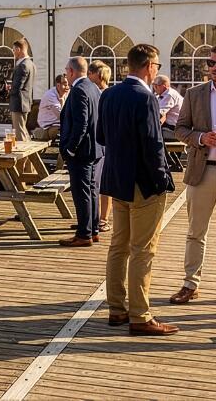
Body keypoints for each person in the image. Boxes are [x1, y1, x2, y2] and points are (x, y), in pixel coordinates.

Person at [97, 43, 177, 335]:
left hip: (116, 179)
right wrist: (162, 182)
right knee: (143, 249)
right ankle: (140, 315)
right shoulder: (146, 97)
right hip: (143, 183)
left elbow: (101, 136)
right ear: (148, 66)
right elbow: (153, 147)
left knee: (119, 245)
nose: (156, 71)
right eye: (156, 66)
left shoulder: (109, 94)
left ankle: (116, 309)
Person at [170, 44, 216, 305]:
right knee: (195, 232)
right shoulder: (194, 94)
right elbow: (180, 129)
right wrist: (201, 137)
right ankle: (190, 283)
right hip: (203, 172)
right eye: (211, 64)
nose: (213, 69)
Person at [58, 58, 101, 247]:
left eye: (67, 70)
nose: (66, 74)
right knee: (91, 189)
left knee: (81, 191)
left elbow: (81, 123)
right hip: (94, 147)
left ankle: (84, 234)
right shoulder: (92, 87)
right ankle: (93, 228)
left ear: (72, 71)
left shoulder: (78, 90)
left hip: (82, 151)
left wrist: (70, 149)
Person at [89, 60, 113, 232]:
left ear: (98, 75)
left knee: (103, 183)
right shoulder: (93, 92)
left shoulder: (108, 94)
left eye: (90, 73)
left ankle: (103, 218)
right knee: (94, 183)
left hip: (105, 144)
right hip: (96, 142)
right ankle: (94, 218)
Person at [7, 38, 35, 142]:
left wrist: (10, 90)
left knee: (20, 135)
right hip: (25, 103)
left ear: (18, 49)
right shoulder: (31, 64)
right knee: (23, 132)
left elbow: (18, 87)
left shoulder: (23, 65)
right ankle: (32, 158)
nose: (13, 53)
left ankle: (25, 158)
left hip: (19, 103)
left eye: (14, 50)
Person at [33, 74, 69, 142]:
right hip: (48, 126)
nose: (67, 87)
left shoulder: (67, 92)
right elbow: (61, 116)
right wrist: (62, 102)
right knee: (66, 131)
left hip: (59, 124)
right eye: (65, 84)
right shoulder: (50, 95)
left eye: (68, 84)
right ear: (58, 85)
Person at [153, 75, 184, 140]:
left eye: (156, 85)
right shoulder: (159, 95)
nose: (154, 87)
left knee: (150, 134)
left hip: (174, 128)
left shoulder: (169, 95)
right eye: (153, 85)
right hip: (168, 125)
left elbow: (160, 114)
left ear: (164, 86)